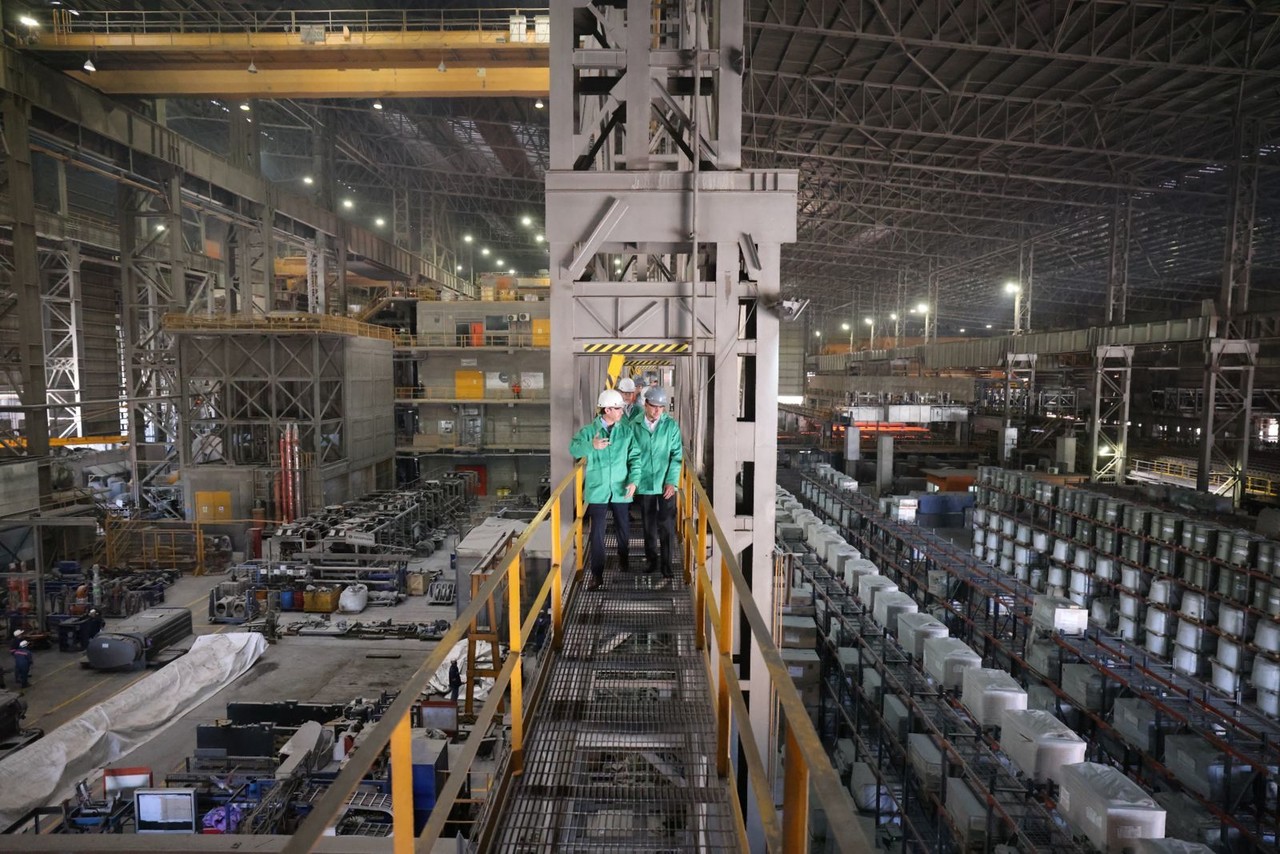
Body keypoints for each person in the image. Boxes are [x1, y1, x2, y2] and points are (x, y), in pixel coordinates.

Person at [569, 388, 640, 590]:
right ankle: (597, 575)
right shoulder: (589, 432)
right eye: (618, 408)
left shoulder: (626, 432)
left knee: (623, 527)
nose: (621, 411)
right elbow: (573, 449)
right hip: (598, 489)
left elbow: (635, 458)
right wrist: (591, 446)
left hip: (621, 488)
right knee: (597, 533)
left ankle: (624, 560)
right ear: (607, 409)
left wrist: (634, 481)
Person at [630, 387, 683, 578]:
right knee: (648, 524)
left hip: (665, 484)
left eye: (661, 407)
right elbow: (631, 454)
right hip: (644, 484)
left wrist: (671, 482)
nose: (658, 411)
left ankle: (667, 565)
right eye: (654, 407)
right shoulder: (634, 425)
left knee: (667, 525)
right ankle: (652, 561)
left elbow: (677, 456)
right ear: (645, 404)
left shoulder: (671, 426)